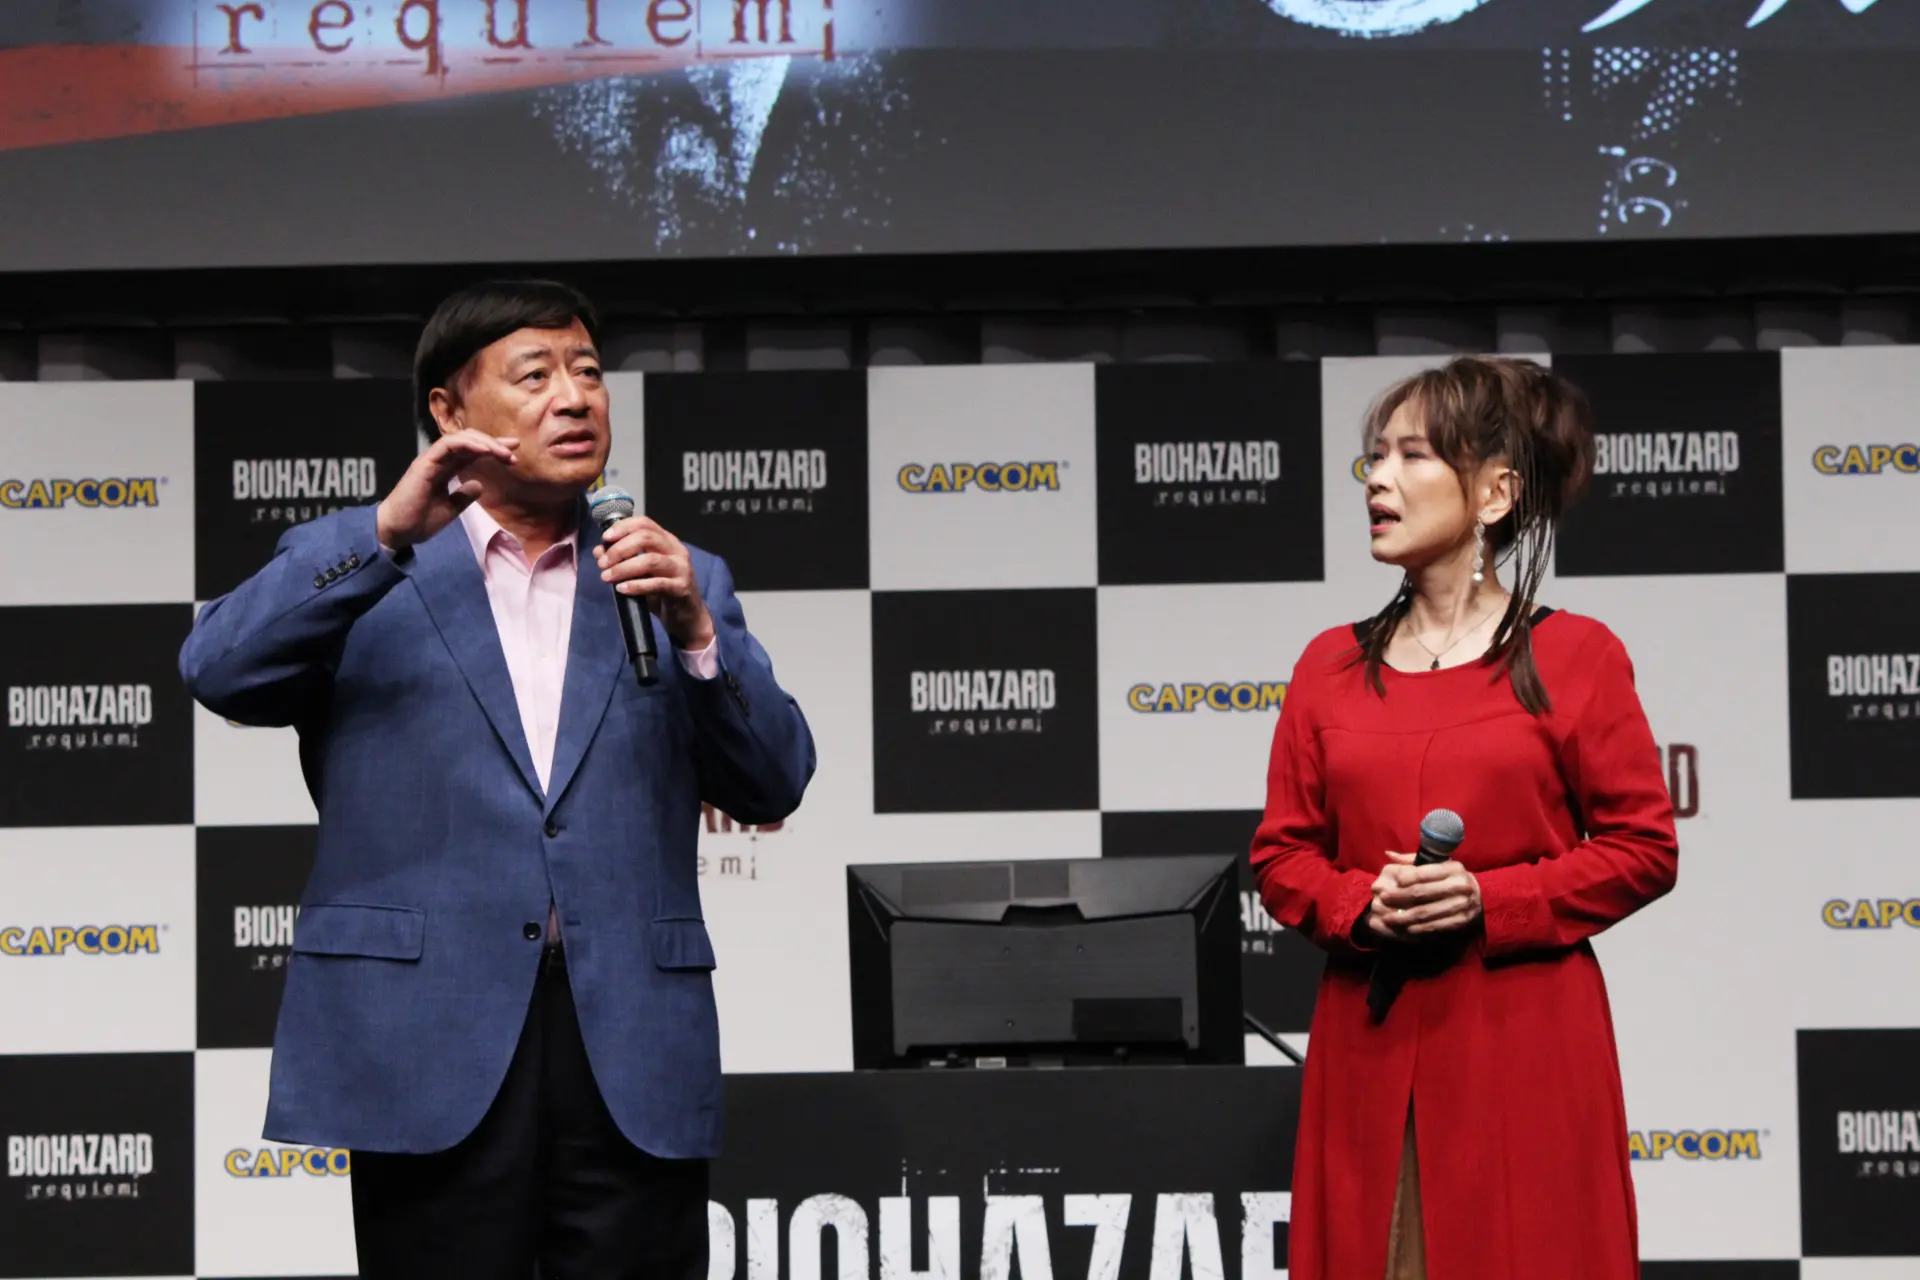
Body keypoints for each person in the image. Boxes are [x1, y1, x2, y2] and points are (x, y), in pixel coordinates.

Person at [180, 280, 815, 1279]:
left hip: (627, 1045)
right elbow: (217, 669)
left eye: (589, 372)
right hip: (428, 1037)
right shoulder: (370, 565)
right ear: (448, 409)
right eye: (535, 375)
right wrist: (386, 532)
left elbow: (774, 780)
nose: (575, 397)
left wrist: (697, 632)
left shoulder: (670, 575)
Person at [1251, 355, 1678, 1280]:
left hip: (1525, 1041)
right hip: (1369, 1039)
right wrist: (1360, 905)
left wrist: (1491, 900)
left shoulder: (1578, 655)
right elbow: (1282, 855)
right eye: (1375, 457)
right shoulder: (1327, 667)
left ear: (1495, 493)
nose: (1378, 479)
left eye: (1412, 456)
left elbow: (1643, 847)